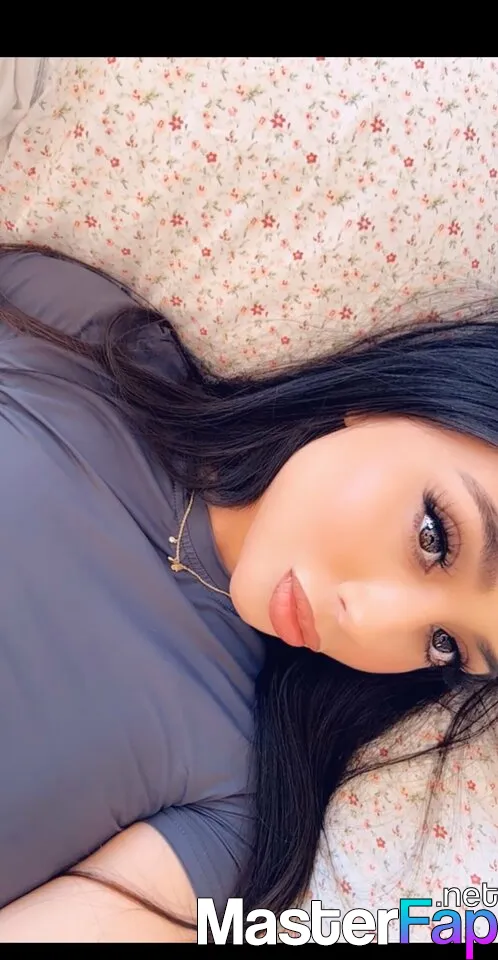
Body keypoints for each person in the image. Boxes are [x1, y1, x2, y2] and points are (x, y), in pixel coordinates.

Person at [0, 243, 497, 942]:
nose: (369, 621)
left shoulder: (229, 815)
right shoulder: (88, 342)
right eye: (433, 536)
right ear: (393, 403)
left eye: (446, 644)